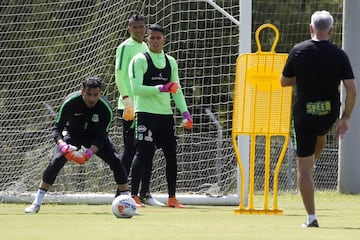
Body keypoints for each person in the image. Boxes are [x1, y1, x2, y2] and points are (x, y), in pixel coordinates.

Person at [280, 10, 357, 227]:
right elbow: (352, 90)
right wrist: (345, 118)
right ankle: (310, 165)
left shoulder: (298, 51)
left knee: (304, 170)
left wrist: (302, 74)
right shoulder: (339, 54)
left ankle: (311, 218)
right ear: (331, 31)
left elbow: (284, 82)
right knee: (320, 134)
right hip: (329, 113)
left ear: (310, 28)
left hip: (304, 115)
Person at [25, 77, 130, 213]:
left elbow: (101, 137)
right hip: (72, 135)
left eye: (95, 95)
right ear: (82, 92)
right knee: (56, 161)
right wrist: (63, 145)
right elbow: (56, 129)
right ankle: (36, 203)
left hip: (94, 137)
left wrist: (89, 153)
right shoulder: (70, 103)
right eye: (89, 94)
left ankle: (127, 202)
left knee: (116, 160)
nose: (92, 99)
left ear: (100, 94)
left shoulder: (106, 109)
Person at [129, 23, 193, 208]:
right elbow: (136, 89)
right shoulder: (139, 60)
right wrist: (162, 88)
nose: (156, 41)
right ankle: (134, 195)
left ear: (164, 39)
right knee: (143, 153)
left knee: (171, 154)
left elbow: (176, 90)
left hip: (165, 116)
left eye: (159, 38)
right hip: (145, 114)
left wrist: (185, 113)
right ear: (147, 39)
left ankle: (172, 197)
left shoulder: (170, 62)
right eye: (152, 38)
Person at [115, 14, 164, 207]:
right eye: (134, 27)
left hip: (145, 107)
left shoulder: (146, 47)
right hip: (129, 107)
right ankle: (120, 192)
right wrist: (127, 100)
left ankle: (144, 193)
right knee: (130, 150)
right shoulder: (124, 47)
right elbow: (119, 75)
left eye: (141, 27)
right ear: (129, 29)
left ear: (146, 29)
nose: (138, 30)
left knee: (147, 149)